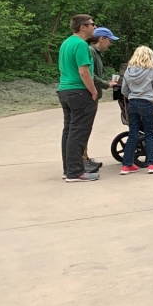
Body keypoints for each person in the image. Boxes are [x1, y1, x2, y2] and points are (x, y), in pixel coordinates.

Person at [58, 14, 100, 182]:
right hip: (79, 91)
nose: (94, 27)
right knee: (79, 132)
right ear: (83, 27)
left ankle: (68, 168)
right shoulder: (81, 45)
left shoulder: (66, 43)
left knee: (69, 131)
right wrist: (93, 91)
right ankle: (76, 172)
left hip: (65, 91)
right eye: (92, 24)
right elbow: (84, 71)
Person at [120, 46, 153, 175]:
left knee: (133, 134)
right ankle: (152, 163)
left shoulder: (128, 70)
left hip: (132, 103)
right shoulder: (152, 69)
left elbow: (124, 90)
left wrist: (133, 95)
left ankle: (127, 165)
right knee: (149, 133)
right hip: (146, 102)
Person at [82, 26, 120, 172]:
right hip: (89, 95)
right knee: (83, 129)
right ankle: (82, 160)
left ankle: (84, 157)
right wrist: (106, 84)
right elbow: (90, 74)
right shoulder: (91, 52)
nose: (110, 44)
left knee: (86, 128)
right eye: (109, 40)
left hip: (93, 94)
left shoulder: (95, 52)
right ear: (102, 39)